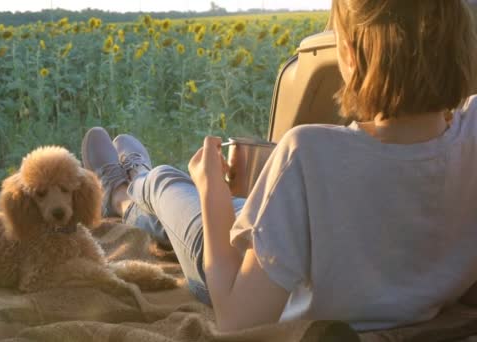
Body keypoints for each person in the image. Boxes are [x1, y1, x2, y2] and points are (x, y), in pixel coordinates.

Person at [81, 0, 477, 333]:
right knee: (204, 206)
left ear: (352, 56)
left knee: (171, 182)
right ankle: (136, 193)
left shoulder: (307, 152)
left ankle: (125, 188)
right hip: (359, 273)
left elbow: (237, 321)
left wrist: (213, 196)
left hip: (258, 289)